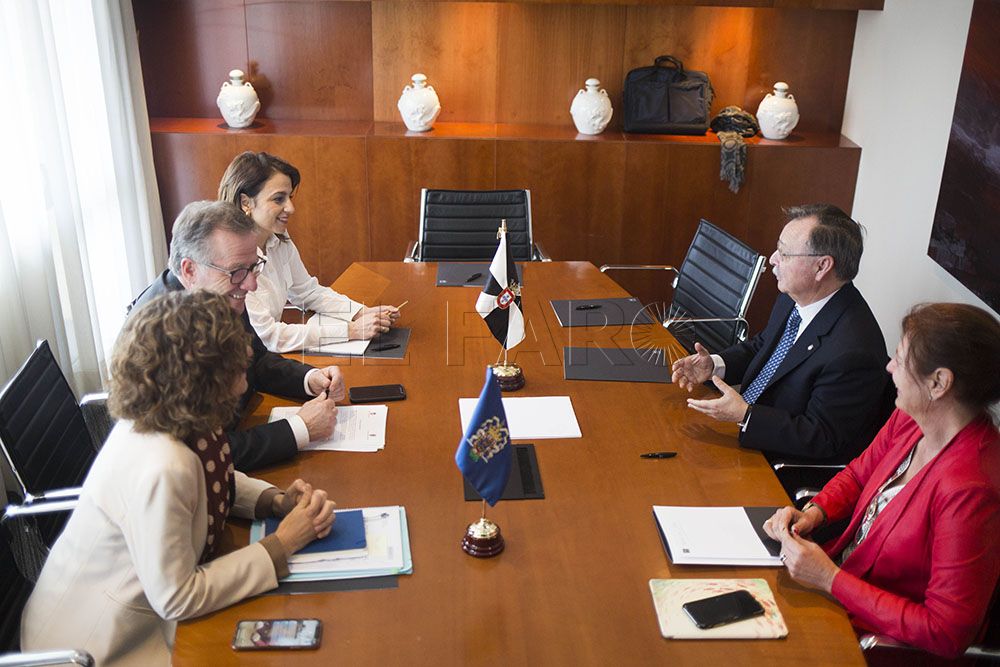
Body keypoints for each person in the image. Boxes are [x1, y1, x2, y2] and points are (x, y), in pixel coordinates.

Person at [21, 290, 338, 666]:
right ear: (201, 381)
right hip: (100, 644)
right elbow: (177, 597)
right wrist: (282, 544)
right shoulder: (160, 466)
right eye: (236, 372)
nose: (243, 384)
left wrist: (274, 500)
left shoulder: (172, 414)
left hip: (139, 610)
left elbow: (213, 473)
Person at [763, 303, 1000, 658]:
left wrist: (830, 579)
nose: (889, 367)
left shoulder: (971, 490)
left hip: (872, 639)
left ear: (938, 383)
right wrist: (814, 512)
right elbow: (860, 474)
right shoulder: (912, 418)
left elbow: (945, 631)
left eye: (899, 360)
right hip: (837, 587)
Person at [671, 204, 890, 467]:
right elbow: (764, 346)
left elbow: (821, 437)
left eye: (784, 253)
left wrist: (746, 416)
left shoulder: (854, 351)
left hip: (778, 464)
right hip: (747, 433)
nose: (773, 259)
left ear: (822, 266)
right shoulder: (795, 297)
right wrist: (715, 366)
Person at [129, 200, 341, 471]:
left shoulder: (218, 293)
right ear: (190, 270)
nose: (251, 284)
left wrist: (309, 379)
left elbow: (256, 359)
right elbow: (203, 456)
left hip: (243, 426)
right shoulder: (162, 337)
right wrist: (300, 428)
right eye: (238, 271)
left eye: (254, 267)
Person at [218, 151, 399, 353]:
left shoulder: (278, 237)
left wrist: (361, 312)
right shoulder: (230, 260)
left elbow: (307, 291)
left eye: (289, 197)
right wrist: (352, 330)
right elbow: (269, 337)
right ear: (246, 202)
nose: (291, 208)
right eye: (278, 199)